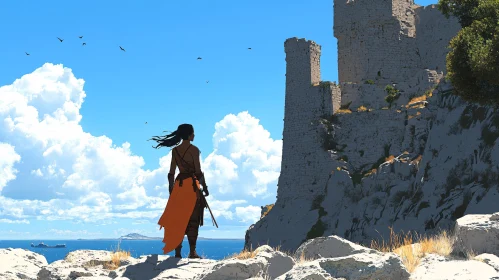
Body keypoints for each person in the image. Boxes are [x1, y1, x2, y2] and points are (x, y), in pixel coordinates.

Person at [150, 124, 209, 258]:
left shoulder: (175, 151)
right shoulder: (194, 150)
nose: (194, 135)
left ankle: (177, 253)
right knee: (193, 218)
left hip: (178, 186)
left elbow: (171, 173)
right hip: (191, 186)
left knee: (178, 219)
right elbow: (198, 171)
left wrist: (171, 190)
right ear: (189, 135)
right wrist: (205, 187)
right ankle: (192, 252)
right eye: (193, 133)